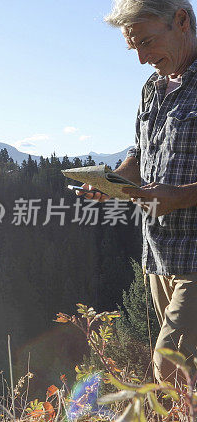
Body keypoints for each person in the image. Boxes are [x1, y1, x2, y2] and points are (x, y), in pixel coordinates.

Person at [84, 0, 197, 385]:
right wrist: (112, 182)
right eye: (135, 48)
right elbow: (140, 153)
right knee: (187, 377)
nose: (142, 58)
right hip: (161, 254)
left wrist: (180, 195)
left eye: (147, 42)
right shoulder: (152, 88)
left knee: (169, 370)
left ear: (181, 20)